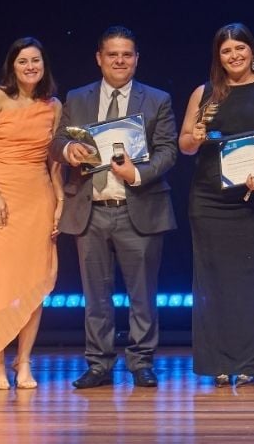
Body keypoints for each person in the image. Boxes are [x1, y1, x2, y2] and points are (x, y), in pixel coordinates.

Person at [50, 26, 178, 390]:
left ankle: (141, 362)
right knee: (96, 296)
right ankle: (99, 364)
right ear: (99, 58)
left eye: (127, 54)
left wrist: (138, 173)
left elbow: (168, 150)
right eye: (113, 54)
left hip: (137, 205)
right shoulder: (78, 97)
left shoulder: (157, 99)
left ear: (136, 59)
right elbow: (58, 140)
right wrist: (66, 151)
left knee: (142, 294)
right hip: (90, 210)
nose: (120, 61)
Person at [179, 23, 254, 386]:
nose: (234, 56)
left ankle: (250, 363)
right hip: (208, 200)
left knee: (252, 283)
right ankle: (218, 363)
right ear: (218, 57)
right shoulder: (205, 93)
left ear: (252, 51)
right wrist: (193, 137)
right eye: (226, 51)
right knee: (212, 282)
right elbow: (185, 144)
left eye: (240, 48)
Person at [0, 37, 63, 390]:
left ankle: (25, 362)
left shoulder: (53, 105)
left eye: (36, 60)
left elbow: (54, 160)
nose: (30, 67)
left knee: (34, 284)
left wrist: (60, 199)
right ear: (12, 67)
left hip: (38, 197)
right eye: (23, 62)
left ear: (44, 65)